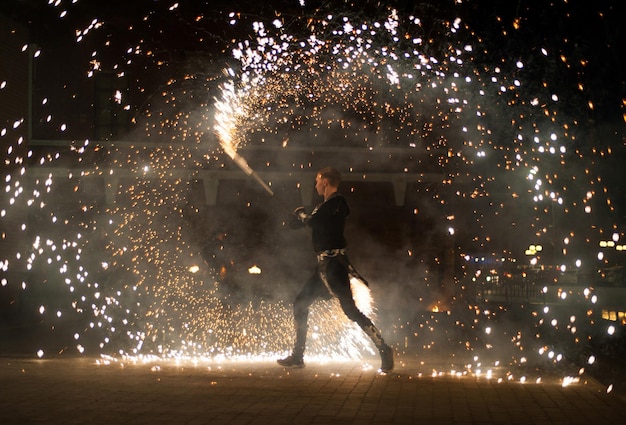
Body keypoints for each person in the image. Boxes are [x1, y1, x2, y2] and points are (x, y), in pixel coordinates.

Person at [277, 167, 394, 372]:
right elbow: (305, 223)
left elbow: (314, 221)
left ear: (324, 181)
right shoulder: (322, 207)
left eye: (317, 181)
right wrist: (294, 218)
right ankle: (297, 356)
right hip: (322, 267)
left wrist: (303, 215)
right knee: (300, 304)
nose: (315, 185)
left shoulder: (337, 202)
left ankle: (383, 348)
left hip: (335, 266)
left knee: (350, 311)